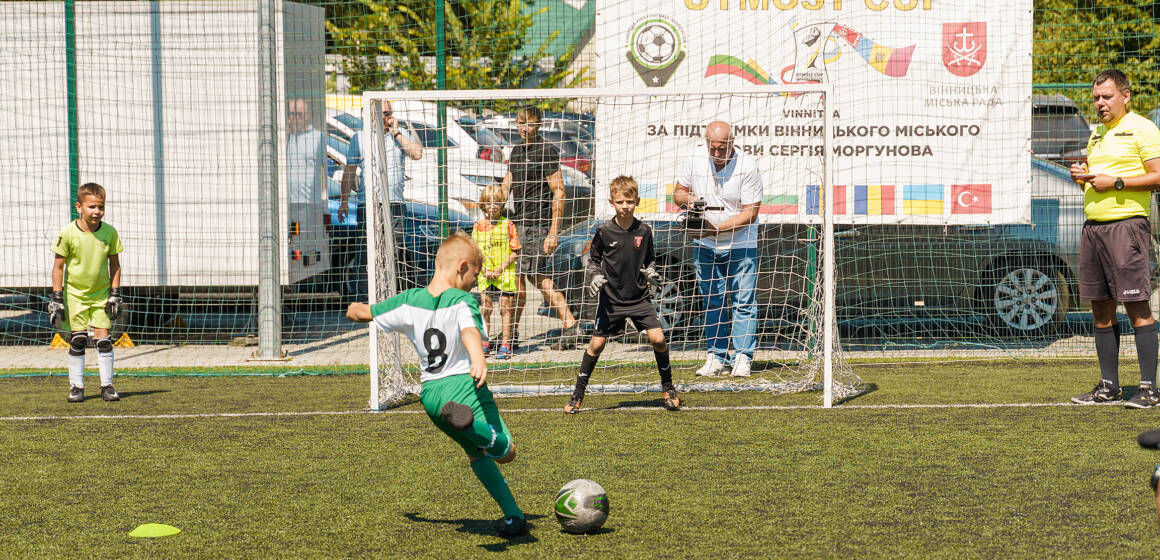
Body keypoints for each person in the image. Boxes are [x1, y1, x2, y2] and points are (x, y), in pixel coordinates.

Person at [345, 232, 528, 537]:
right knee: (506, 451)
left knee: (475, 453)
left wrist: (354, 308)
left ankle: (514, 518)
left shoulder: (407, 302)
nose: (475, 283)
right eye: (475, 275)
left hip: (431, 395)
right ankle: (480, 432)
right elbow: (470, 330)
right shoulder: (462, 300)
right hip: (465, 385)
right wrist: (477, 358)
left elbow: (360, 312)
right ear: (462, 266)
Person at [1068, 69, 1160, 408]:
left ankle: (1149, 389)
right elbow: (1099, 181)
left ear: (1125, 96)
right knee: (1100, 308)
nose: (1100, 103)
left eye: (1107, 97)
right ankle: (1110, 386)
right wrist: (1083, 178)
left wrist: (1117, 182)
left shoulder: (1143, 129)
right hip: (1093, 229)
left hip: (1126, 229)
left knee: (1136, 306)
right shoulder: (1097, 136)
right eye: (1096, 98)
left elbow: (1158, 175)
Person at [563, 176, 679, 414]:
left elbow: (650, 260)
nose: (625, 206)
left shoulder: (644, 231)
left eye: (629, 201)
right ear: (611, 202)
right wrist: (595, 276)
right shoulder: (604, 231)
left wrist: (652, 272)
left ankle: (668, 388)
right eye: (620, 201)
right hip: (611, 300)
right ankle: (577, 395)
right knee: (596, 345)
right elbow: (593, 259)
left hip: (639, 298)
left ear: (637, 201)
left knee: (658, 339)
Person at [673, 120, 763, 378]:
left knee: (743, 301)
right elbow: (678, 193)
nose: (715, 154)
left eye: (721, 149)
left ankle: (743, 357)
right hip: (705, 244)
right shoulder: (694, 157)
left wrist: (716, 228)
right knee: (712, 301)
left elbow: (750, 213)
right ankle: (716, 356)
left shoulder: (748, 166)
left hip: (740, 243)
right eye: (712, 148)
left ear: (732, 143)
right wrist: (690, 200)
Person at [501, 105, 580, 350]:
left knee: (538, 276)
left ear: (539, 125)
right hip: (518, 224)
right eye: (520, 123)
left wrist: (553, 231)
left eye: (530, 124)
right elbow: (507, 185)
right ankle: (510, 334)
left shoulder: (546, 150)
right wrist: (491, 206)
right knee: (516, 280)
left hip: (538, 225)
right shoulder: (515, 151)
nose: (525, 128)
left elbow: (559, 191)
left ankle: (570, 325)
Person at [49, 182, 124, 403]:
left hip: (101, 294)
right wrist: (57, 297)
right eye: (92, 207)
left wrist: (115, 293)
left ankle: (107, 385)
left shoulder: (110, 232)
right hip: (75, 295)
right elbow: (58, 267)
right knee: (79, 339)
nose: (97, 212)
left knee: (104, 341)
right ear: (79, 206)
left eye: (101, 207)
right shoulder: (68, 233)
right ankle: (76, 386)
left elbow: (115, 265)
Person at [340, 100, 424, 222]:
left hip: (394, 202)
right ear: (371, 114)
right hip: (368, 203)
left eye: (388, 113)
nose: (386, 117)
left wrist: (395, 132)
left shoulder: (399, 133)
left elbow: (417, 154)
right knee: (366, 240)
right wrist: (344, 202)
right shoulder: (359, 137)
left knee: (396, 241)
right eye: (382, 113)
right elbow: (349, 172)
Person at [471, 184, 521, 360]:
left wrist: (500, 269)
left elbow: (515, 251)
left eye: (497, 202)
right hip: (485, 273)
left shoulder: (508, 225)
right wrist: (484, 269)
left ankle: (506, 343)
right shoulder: (478, 227)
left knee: (505, 308)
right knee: (485, 307)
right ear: (483, 204)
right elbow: (474, 252)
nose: (493, 206)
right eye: (489, 202)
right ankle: (485, 342)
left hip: (504, 274)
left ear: (502, 204)